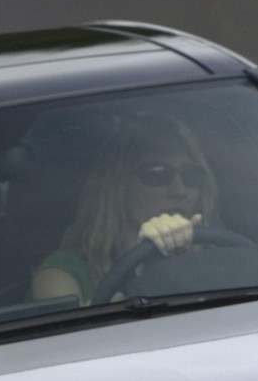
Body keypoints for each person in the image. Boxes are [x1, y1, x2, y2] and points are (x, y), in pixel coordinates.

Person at [30, 114, 219, 304]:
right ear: (117, 186)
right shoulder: (60, 276)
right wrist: (145, 263)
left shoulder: (220, 257)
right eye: (157, 174)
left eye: (191, 175)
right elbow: (80, 332)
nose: (179, 190)